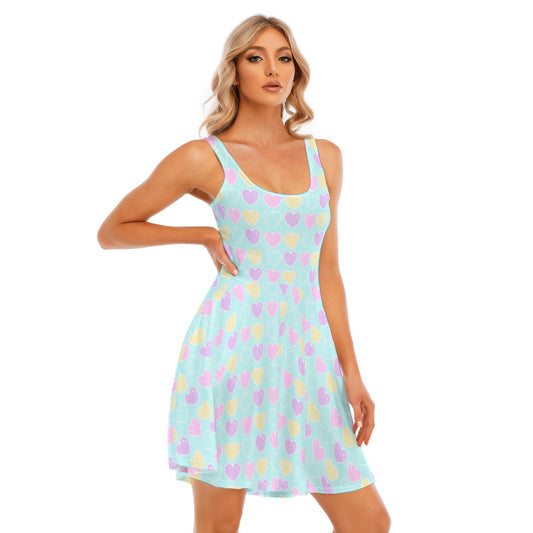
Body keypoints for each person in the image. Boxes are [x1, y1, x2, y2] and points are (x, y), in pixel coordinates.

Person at [97, 14, 391, 533]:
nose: (273, 69)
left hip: (308, 354)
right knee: (218, 526)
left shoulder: (325, 157)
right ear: (234, 71)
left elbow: (327, 272)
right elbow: (113, 230)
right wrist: (201, 235)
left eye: (284, 57)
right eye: (256, 57)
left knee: (369, 522)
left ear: (296, 71)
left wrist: (351, 371)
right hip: (230, 352)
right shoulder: (204, 158)